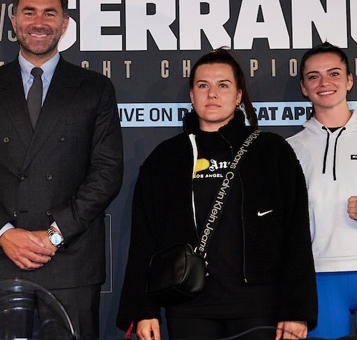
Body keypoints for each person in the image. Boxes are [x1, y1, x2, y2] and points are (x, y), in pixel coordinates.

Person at [0, 0, 123, 340]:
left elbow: (106, 172)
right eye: (29, 12)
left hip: (69, 263)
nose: (39, 22)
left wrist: (54, 236)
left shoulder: (94, 89)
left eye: (49, 13)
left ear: (64, 23)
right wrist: (5, 233)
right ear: (13, 21)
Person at [117, 48, 317, 340]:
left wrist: (297, 309)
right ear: (191, 95)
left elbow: (295, 234)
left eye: (223, 85)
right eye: (203, 85)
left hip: (258, 306)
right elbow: (145, 239)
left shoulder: (271, 152)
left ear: (238, 96)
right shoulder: (166, 158)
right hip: (188, 306)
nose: (212, 94)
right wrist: (143, 308)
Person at [286, 42, 357, 339]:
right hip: (318, 275)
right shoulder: (289, 149)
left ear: (350, 80)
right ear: (304, 87)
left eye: (334, 73)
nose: (324, 83)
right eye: (314, 76)